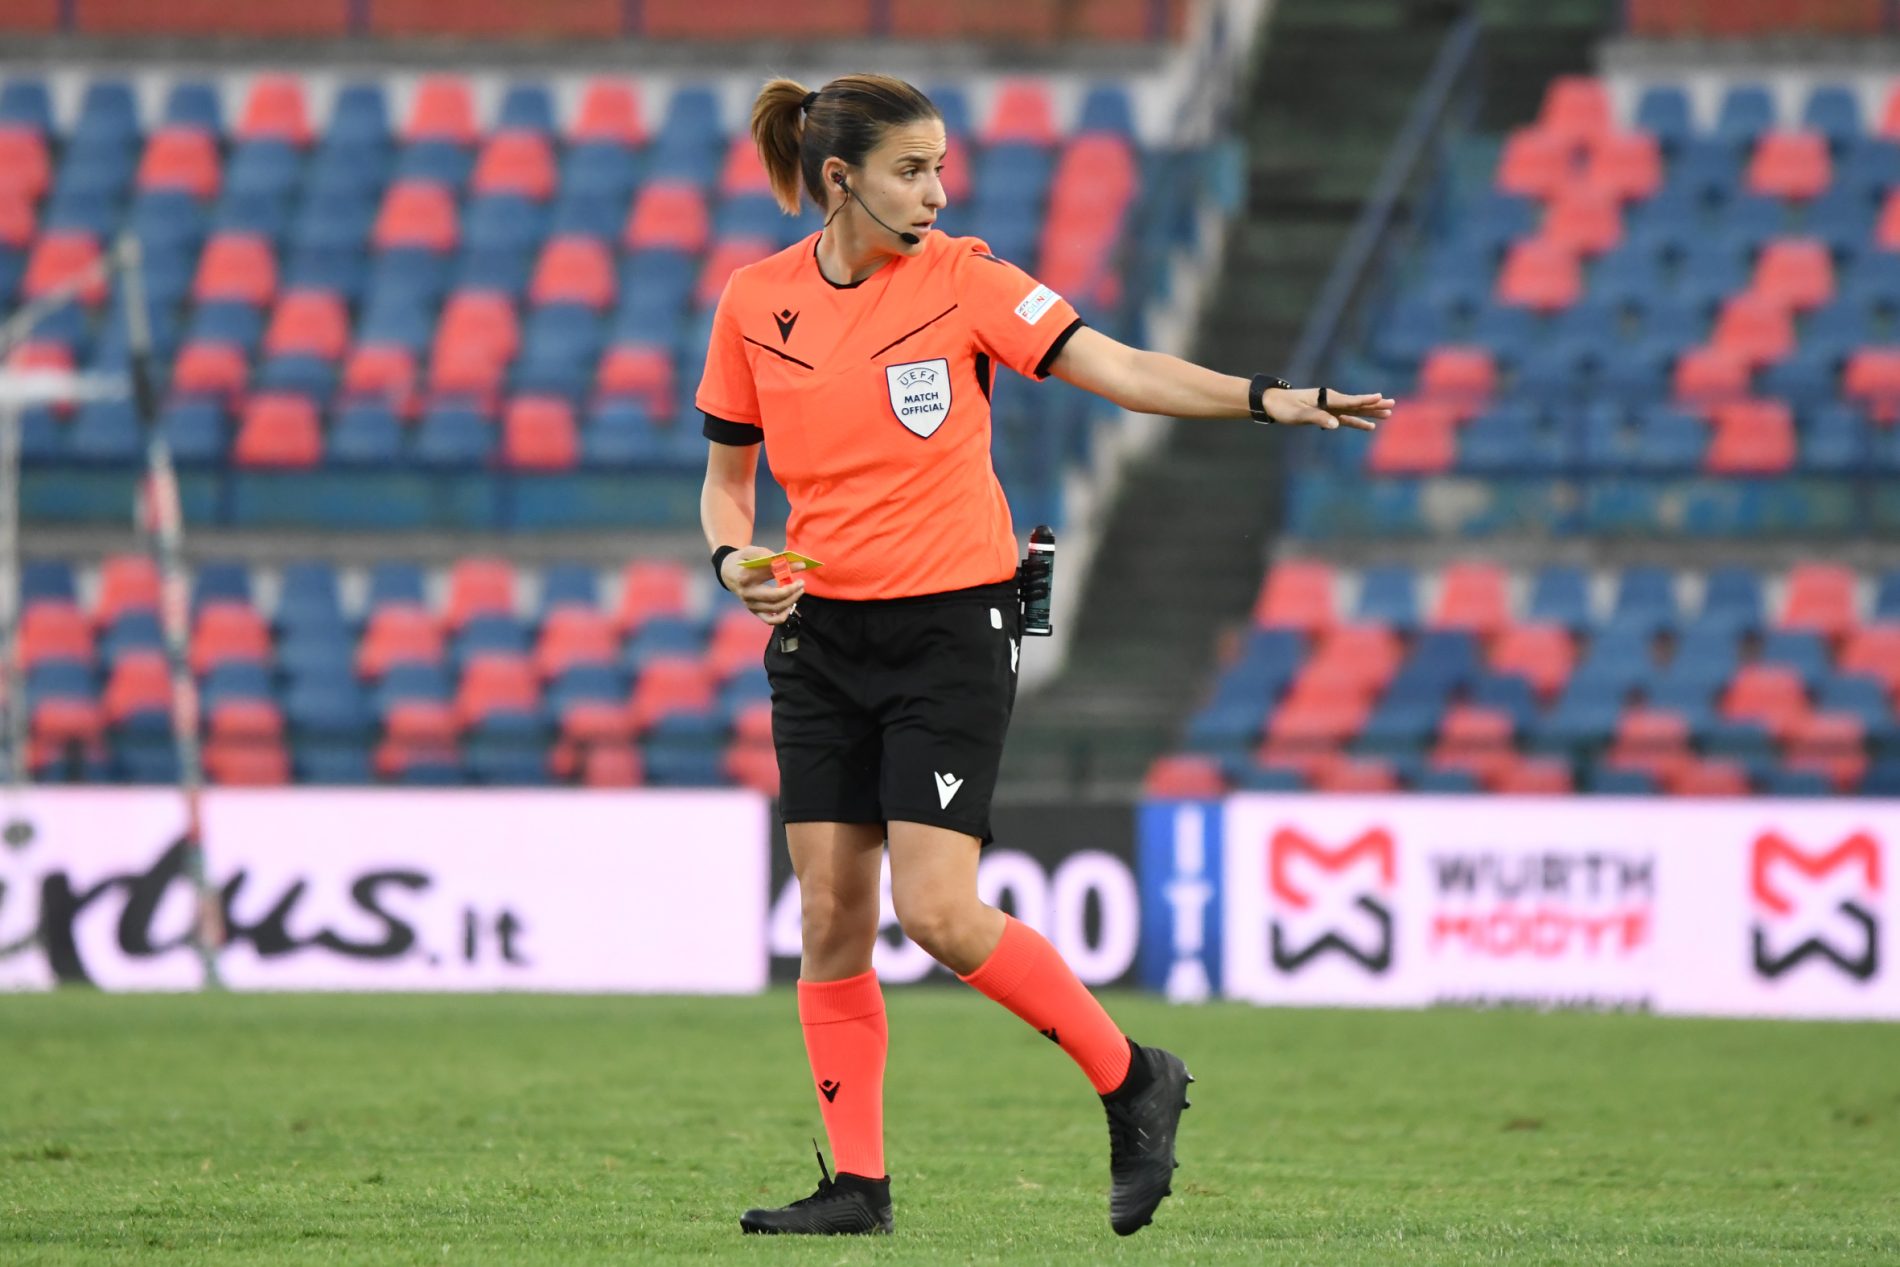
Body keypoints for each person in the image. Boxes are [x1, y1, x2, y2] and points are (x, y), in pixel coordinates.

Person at [698, 73, 1392, 1238]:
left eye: (939, 166)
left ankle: (1133, 1078)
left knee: (936, 911)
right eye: (911, 170)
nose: (937, 190)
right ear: (840, 179)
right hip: (819, 636)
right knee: (827, 913)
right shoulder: (754, 300)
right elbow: (727, 485)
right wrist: (734, 561)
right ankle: (858, 1189)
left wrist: (1266, 398)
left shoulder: (967, 279)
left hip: (949, 627)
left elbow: (1122, 369)